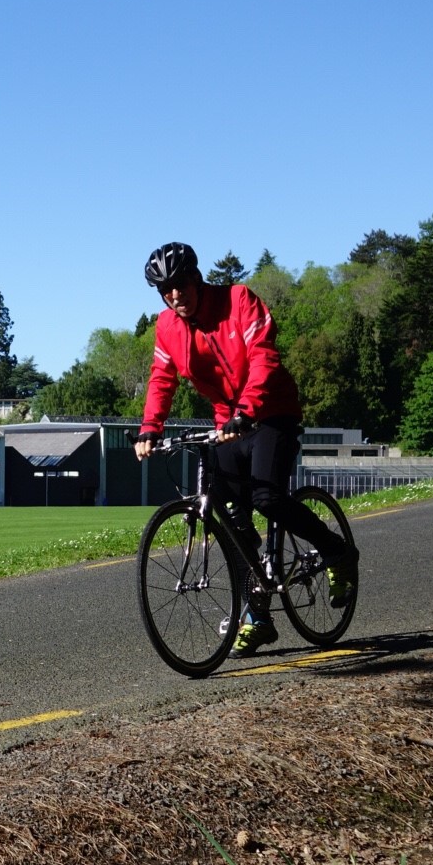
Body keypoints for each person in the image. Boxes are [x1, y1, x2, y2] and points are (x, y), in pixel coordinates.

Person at [133, 242, 358, 657]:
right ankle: (257, 614)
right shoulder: (167, 327)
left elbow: (263, 357)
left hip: (271, 411)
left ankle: (336, 551)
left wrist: (247, 411)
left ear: (196, 278)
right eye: (165, 289)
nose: (174, 295)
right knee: (227, 515)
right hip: (227, 423)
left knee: (267, 497)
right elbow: (162, 378)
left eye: (180, 284)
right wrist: (149, 428)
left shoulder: (239, 300)